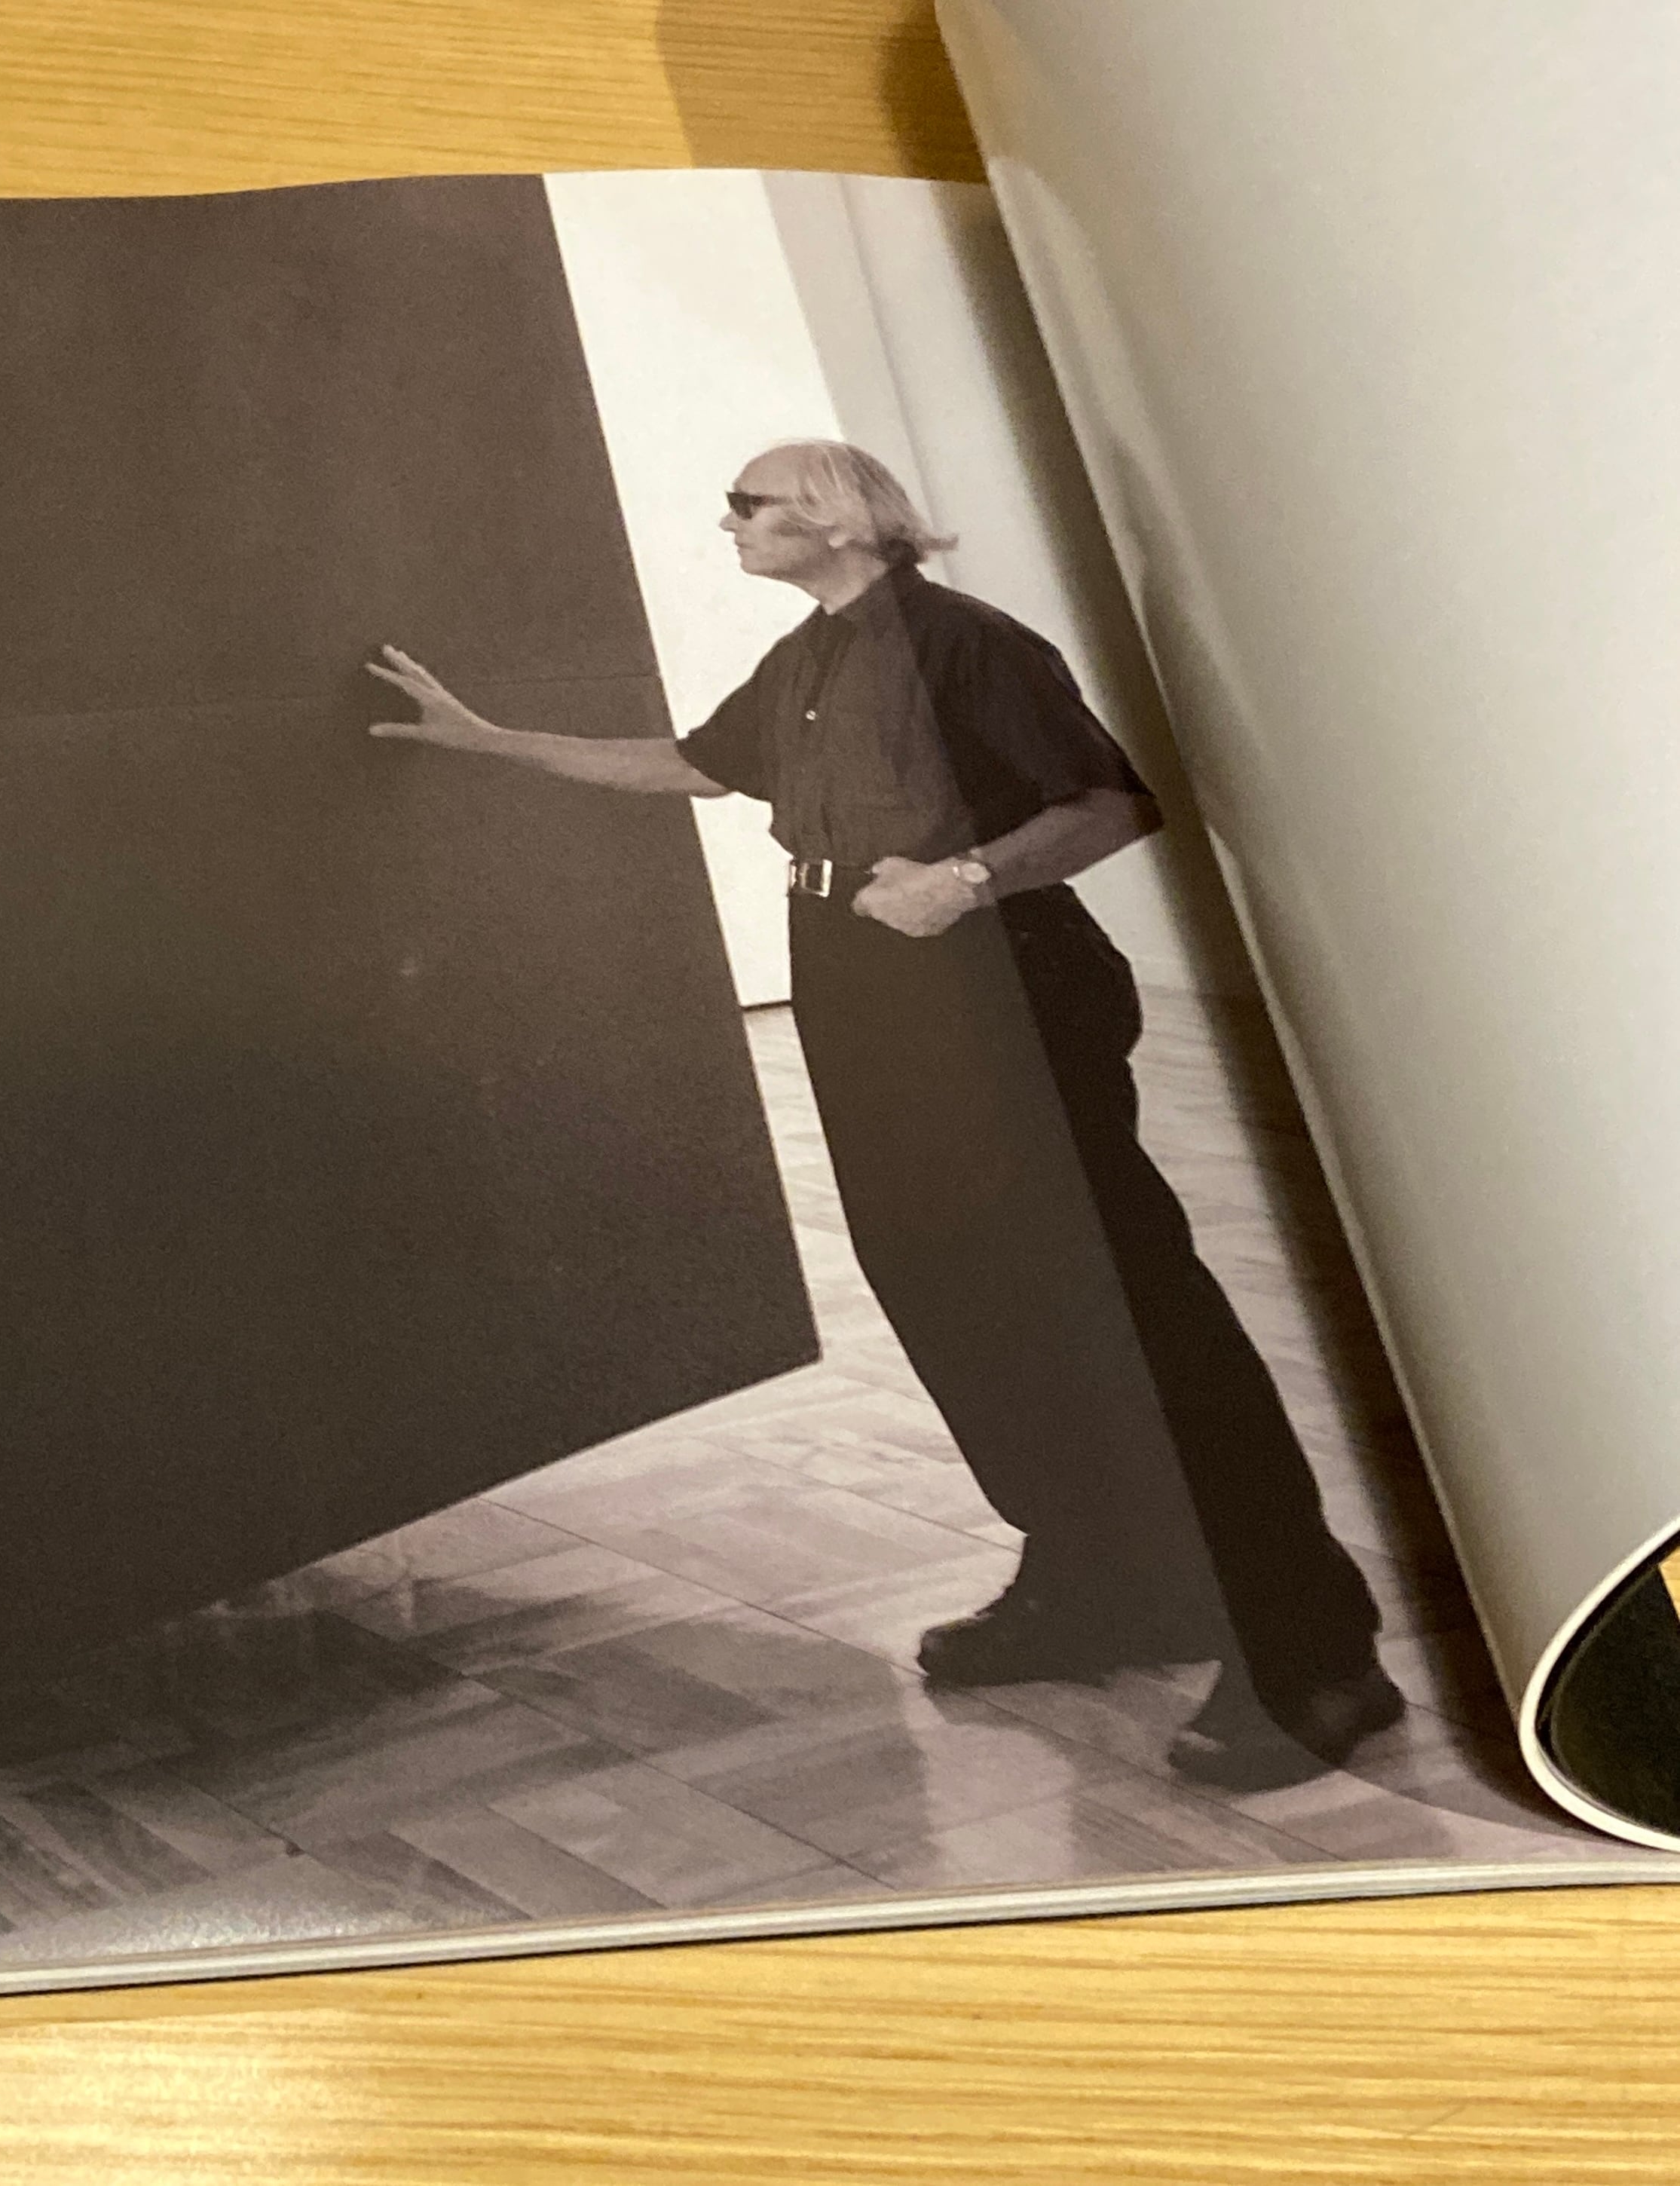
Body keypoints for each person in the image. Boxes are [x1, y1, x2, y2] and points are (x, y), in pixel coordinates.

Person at [366, 438, 1403, 1793]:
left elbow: (1110, 803)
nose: (727, 522)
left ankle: (1313, 1644)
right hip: (859, 982)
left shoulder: (970, 645)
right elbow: (688, 766)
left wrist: (965, 879)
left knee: (1119, 1296)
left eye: (749, 503)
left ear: (841, 518)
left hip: (995, 985)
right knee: (949, 1284)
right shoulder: (804, 658)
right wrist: (486, 738)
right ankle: (1106, 1579)